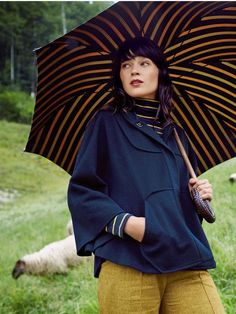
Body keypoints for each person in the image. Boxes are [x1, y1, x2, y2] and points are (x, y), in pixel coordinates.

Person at [68, 37, 225, 314]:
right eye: (126, 64)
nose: (134, 70)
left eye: (144, 63)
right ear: (118, 75)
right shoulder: (106, 123)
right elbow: (83, 190)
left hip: (186, 260)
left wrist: (196, 197)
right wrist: (128, 224)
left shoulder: (178, 135)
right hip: (129, 260)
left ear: (161, 72)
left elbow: (175, 203)